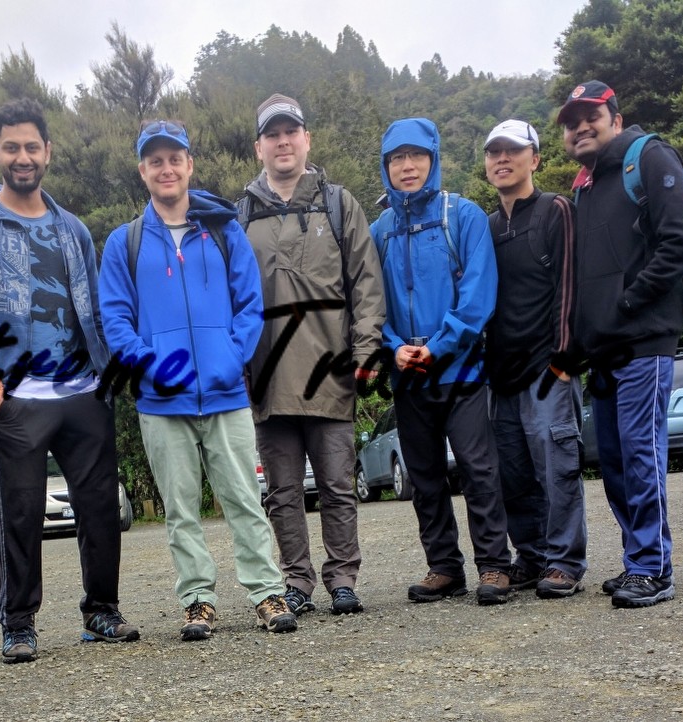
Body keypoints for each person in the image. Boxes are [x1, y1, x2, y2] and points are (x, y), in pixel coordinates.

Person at [0, 98, 137, 659]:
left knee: (100, 506)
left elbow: (96, 311)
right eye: (11, 147)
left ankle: (101, 610)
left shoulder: (72, 228)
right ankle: (19, 622)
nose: (22, 157)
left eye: (32, 146)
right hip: (18, 396)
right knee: (21, 511)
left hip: (84, 391)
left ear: (47, 151)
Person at [98, 119, 297, 640]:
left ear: (189, 165)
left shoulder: (224, 231)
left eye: (175, 158)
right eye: (155, 160)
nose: (166, 168)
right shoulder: (126, 242)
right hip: (162, 402)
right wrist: (154, 366)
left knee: (244, 499)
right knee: (181, 509)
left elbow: (250, 306)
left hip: (226, 393)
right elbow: (115, 320)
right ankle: (197, 601)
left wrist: (231, 360)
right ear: (142, 171)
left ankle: (266, 592)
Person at [240, 93, 385, 617]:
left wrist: (366, 350)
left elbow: (367, 283)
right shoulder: (241, 215)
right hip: (268, 376)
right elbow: (231, 299)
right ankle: (296, 582)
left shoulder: (339, 203)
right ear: (259, 147)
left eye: (290, 131)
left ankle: (342, 577)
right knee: (281, 491)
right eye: (272, 134)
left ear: (306, 140)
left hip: (332, 370)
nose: (282, 141)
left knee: (336, 485)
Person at [558, 80, 683, 608]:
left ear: (615, 117)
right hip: (605, 350)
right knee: (614, 461)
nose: (580, 127)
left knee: (642, 454)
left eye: (590, 115)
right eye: (572, 122)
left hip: (645, 340)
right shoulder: (586, 185)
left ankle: (653, 568)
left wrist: (627, 302)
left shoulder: (651, 157)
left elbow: (681, 240)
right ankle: (638, 559)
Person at [370, 117, 512, 606]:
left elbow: (478, 293)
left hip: (461, 368)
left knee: (478, 468)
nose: (406, 167)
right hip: (408, 373)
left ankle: (494, 565)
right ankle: (444, 567)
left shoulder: (464, 215)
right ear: (386, 167)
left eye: (416, 156)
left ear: (433, 159)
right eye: (396, 159)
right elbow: (370, 303)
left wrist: (441, 344)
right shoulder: (379, 231)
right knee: (424, 474)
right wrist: (393, 344)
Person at [482, 119, 588, 599]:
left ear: (535, 159)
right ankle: (533, 555)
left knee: (556, 467)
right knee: (513, 473)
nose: (502, 160)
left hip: (548, 367)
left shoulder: (555, 210)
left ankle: (565, 561)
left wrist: (565, 358)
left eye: (513, 151)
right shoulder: (486, 227)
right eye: (493, 153)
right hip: (500, 373)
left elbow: (570, 286)